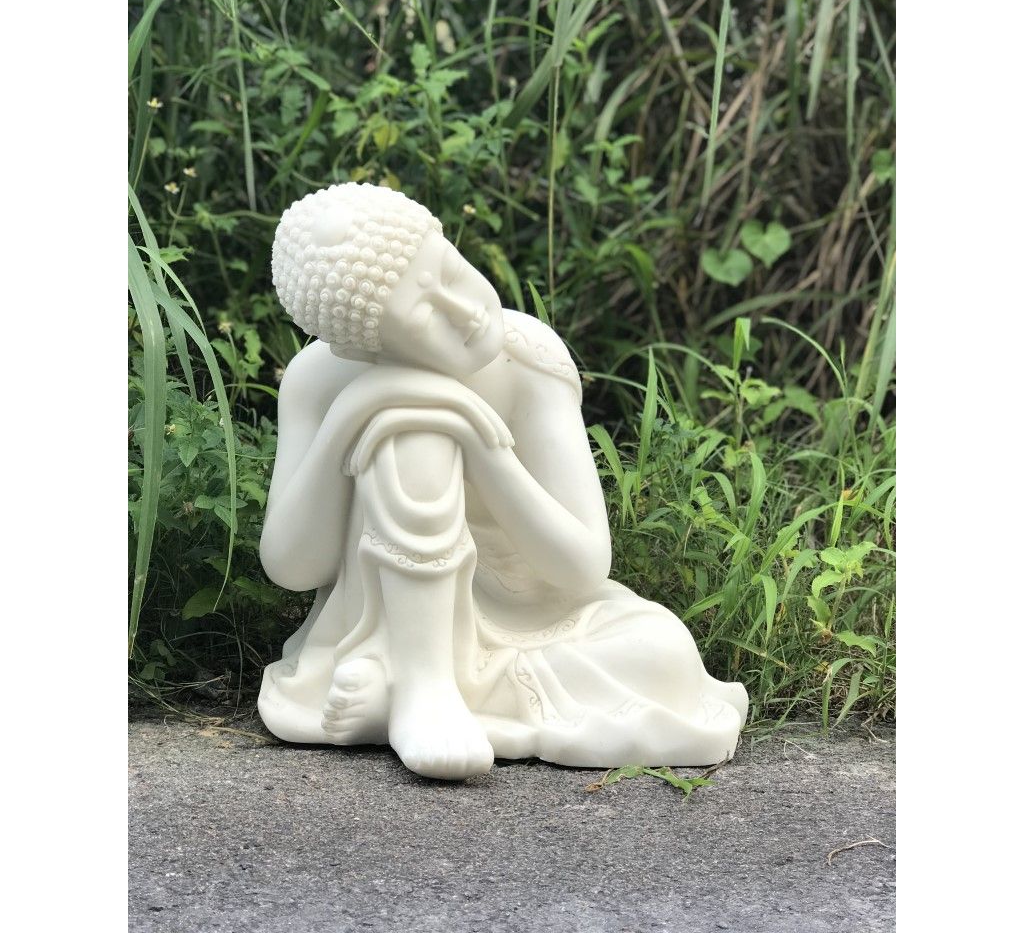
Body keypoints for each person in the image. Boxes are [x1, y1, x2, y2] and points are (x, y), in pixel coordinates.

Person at [258, 183, 747, 780]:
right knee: (412, 434)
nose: (465, 312)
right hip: (383, 617)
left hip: (531, 612)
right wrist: (353, 413)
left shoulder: (528, 357)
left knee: (664, 655)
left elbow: (584, 566)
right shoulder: (318, 380)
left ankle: (408, 693)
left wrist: (481, 444)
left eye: (450, 272)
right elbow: (293, 567)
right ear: (360, 349)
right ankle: (425, 688)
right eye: (424, 315)